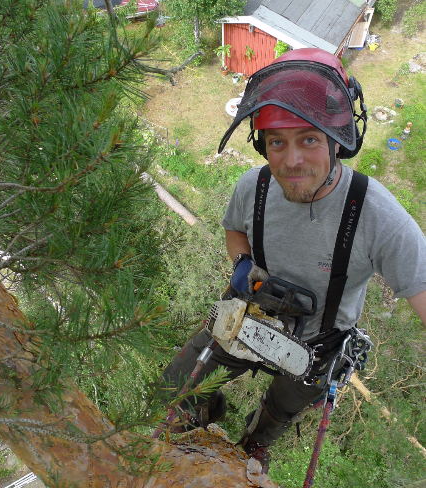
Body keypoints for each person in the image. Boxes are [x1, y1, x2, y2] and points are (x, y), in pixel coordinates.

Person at [161, 48, 426, 474]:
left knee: (281, 410)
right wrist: (243, 265)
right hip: (249, 315)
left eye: (309, 139)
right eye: (276, 142)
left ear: (337, 141)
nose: (292, 160)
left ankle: (254, 441)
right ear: (261, 144)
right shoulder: (256, 186)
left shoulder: (377, 215)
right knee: (174, 393)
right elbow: (235, 228)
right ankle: (205, 411)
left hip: (317, 341)